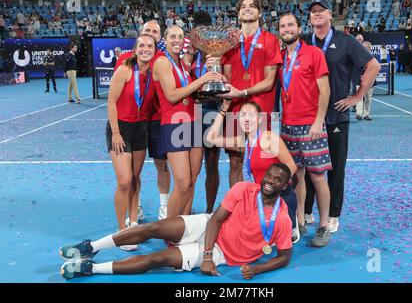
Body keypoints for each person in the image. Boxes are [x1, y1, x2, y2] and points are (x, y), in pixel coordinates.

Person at [59, 164, 293, 280]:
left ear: (285, 186)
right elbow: (216, 220)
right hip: (209, 227)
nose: (270, 181)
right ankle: (91, 247)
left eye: (278, 179)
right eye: (269, 175)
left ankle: (92, 269)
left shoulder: (282, 219)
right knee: (155, 228)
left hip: (225, 254)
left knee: (158, 258)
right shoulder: (243, 189)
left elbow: (284, 256)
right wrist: (207, 255)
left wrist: (258, 268)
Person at [304, 0, 380, 232]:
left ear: (330, 15)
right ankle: (306, 212)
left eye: (321, 11)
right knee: (307, 167)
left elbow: (373, 65)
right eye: (313, 12)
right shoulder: (304, 43)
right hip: (308, 115)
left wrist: (356, 97)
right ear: (309, 18)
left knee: (336, 169)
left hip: (336, 114)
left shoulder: (345, 41)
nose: (317, 14)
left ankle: (333, 214)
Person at [153, 25, 222, 218]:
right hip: (175, 124)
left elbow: (192, 94)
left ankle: (185, 225)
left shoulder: (184, 65)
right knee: (182, 182)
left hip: (194, 122)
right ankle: (170, 226)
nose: (176, 40)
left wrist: (211, 78)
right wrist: (202, 80)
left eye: (180, 37)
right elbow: (173, 95)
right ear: (164, 40)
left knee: (192, 179)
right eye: (172, 36)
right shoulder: (162, 62)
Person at [206, 99, 298, 242]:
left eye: (251, 115)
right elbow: (210, 139)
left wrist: (274, 196)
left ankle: (290, 219)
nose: (246, 119)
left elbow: (291, 167)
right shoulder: (243, 141)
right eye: (242, 115)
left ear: (259, 118)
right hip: (262, 196)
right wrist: (223, 110)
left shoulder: (268, 138)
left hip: (279, 197)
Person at [277, 13, 333, 247]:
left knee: (318, 177)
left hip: (311, 125)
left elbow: (325, 89)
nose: (287, 28)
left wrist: (318, 121)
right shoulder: (280, 58)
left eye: (291, 24)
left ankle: (323, 226)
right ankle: (299, 220)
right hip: (287, 126)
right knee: (295, 175)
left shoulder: (313, 53)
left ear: (299, 28)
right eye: (282, 26)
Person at [219, 0, 283, 188]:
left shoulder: (270, 40)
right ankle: (238, 208)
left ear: (260, 12)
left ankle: (262, 207)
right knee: (235, 162)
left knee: (263, 163)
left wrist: (241, 93)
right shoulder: (229, 42)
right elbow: (226, 77)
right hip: (235, 109)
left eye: (252, 6)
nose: (247, 9)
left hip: (261, 109)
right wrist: (219, 77)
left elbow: (270, 81)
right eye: (243, 7)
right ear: (238, 14)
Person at [115, 20, 171, 222]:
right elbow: (118, 95)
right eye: (147, 31)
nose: (151, 34)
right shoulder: (125, 59)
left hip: (156, 120)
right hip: (133, 123)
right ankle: (134, 206)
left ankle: (164, 207)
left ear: (159, 37)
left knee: (161, 164)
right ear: (140, 34)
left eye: (155, 32)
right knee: (132, 173)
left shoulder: (164, 59)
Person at [106, 35, 157, 250]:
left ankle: (133, 222)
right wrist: (116, 132)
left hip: (140, 129)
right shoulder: (125, 70)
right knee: (125, 181)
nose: (145, 49)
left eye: (150, 46)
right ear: (136, 49)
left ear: (155, 50)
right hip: (121, 130)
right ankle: (121, 231)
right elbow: (111, 101)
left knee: (136, 177)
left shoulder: (154, 73)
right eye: (141, 46)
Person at [186, 11, 222, 214]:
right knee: (192, 167)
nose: (202, 37)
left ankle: (209, 211)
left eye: (205, 32)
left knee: (211, 163)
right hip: (193, 112)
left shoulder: (218, 51)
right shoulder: (189, 54)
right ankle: (187, 208)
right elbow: (182, 75)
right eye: (198, 33)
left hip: (213, 110)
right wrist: (190, 54)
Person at [356, 41, 375, 121]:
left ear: (369, 48)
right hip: (360, 81)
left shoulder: (373, 57)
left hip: (370, 81)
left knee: (368, 98)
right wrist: (360, 75)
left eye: (365, 47)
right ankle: (359, 114)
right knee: (359, 98)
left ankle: (366, 114)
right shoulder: (357, 56)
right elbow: (356, 67)